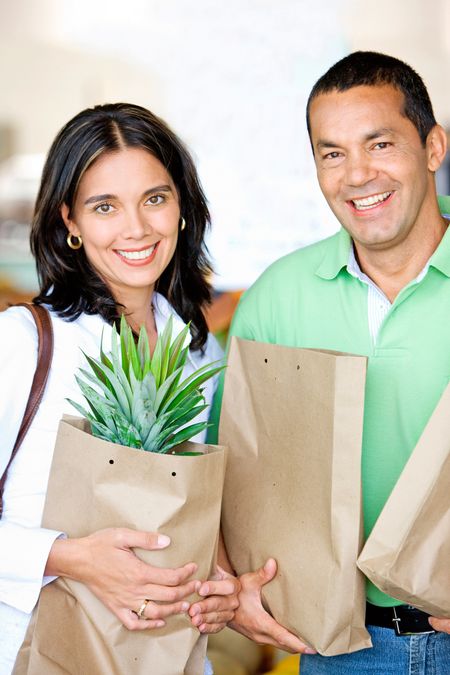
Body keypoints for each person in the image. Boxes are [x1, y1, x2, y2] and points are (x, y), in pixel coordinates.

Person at [206, 51, 450, 673]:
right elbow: (220, 471)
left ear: (433, 147)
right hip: (341, 648)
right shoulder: (276, 298)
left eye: (380, 144)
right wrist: (233, 587)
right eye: (332, 153)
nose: (357, 174)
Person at [0, 102, 239, 675]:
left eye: (155, 199)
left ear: (182, 207)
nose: (136, 229)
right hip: (36, 653)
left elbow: (203, 507)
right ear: (70, 222)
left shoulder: (198, 348)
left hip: (174, 657)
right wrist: (71, 559)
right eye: (104, 206)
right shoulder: (21, 345)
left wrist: (222, 584)